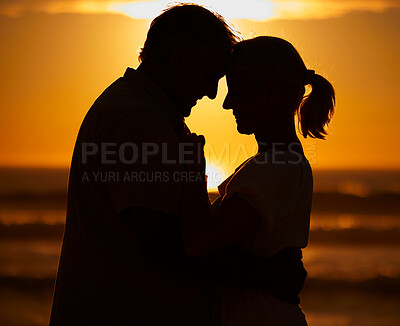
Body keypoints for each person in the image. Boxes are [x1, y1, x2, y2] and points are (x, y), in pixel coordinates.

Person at [50, 4, 307, 325]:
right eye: (209, 75)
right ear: (177, 54)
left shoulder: (144, 114)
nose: (214, 94)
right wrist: (267, 275)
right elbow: (167, 249)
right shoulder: (138, 120)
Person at [181, 36, 335, 326]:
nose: (226, 104)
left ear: (268, 93)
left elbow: (200, 242)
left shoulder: (277, 168)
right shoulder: (276, 163)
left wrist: (192, 172)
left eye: (236, 93)